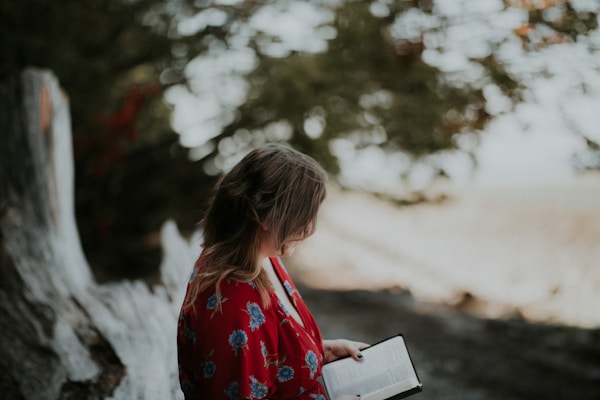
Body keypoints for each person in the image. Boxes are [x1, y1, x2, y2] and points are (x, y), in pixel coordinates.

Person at [177, 143, 368, 399]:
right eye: (304, 215)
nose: (311, 227)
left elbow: (268, 353)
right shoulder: (235, 303)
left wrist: (322, 352)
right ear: (265, 216)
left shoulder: (264, 258)